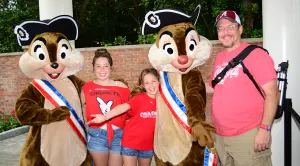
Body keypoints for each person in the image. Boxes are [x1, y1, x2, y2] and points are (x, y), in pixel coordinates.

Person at [208, 10, 280, 166]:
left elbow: (272, 94)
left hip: (248, 135)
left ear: (240, 29)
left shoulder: (256, 55)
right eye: (221, 28)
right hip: (221, 136)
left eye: (230, 27)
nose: (225, 32)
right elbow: (215, 87)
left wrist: (264, 129)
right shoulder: (220, 57)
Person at [88, 68, 160, 166]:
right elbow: (123, 107)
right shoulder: (139, 98)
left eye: (153, 81)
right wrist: (105, 117)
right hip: (130, 143)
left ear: (159, 81)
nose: (151, 86)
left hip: (148, 146)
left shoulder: (164, 101)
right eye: (147, 83)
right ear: (143, 85)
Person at [81, 48, 130, 166]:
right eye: (98, 66)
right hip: (96, 134)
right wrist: (86, 129)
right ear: (93, 68)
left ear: (111, 68)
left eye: (106, 66)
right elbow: (82, 107)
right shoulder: (87, 87)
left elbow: (129, 109)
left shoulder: (121, 86)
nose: (102, 70)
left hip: (119, 134)